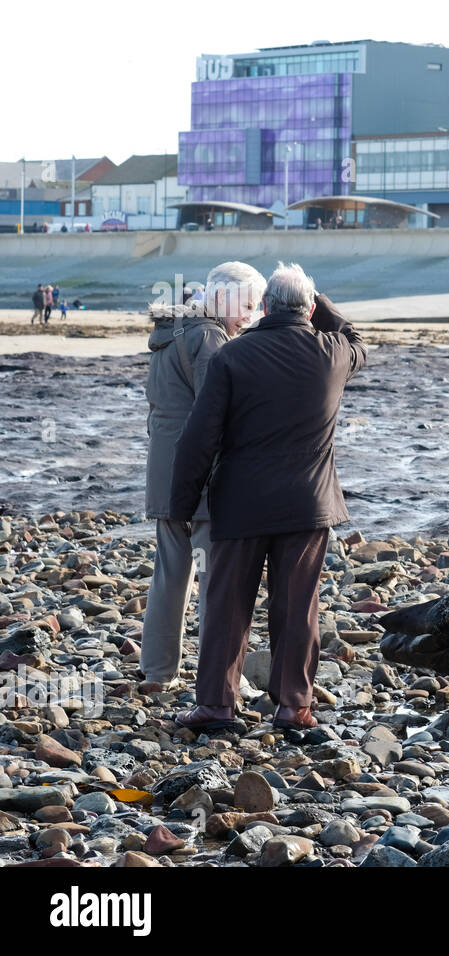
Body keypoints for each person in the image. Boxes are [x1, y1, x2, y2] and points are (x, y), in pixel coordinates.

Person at [170, 262, 366, 732]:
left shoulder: (231, 357)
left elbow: (199, 439)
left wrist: (181, 504)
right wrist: (318, 302)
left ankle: (217, 705)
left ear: (262, 306)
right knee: (298, 606)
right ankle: (293, 706)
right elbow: (355, 336)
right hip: (307, 504)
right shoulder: (334, 353)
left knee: (228, 605)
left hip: (242, 502)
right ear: (313, 308)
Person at [140, 261, 266, 686]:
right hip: (199, 478)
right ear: (222, 295)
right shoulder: (210, 337)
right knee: (215, 579)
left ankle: (157, 671)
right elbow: (217, 412)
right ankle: (220, 677)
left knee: (170, 574)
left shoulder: (171, 330)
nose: (249, 316)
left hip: (163, 471)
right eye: (246, 304)